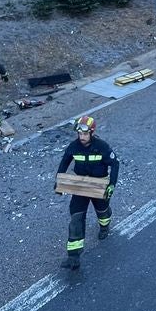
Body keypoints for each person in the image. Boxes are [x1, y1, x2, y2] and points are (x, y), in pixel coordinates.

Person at [57, 115, 119, 270]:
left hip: (99, 184)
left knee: (102, 211)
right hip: (81, 184)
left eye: (85, 134)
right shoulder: (74, 146)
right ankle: (74, 257)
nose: (82, 137)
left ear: (91, 132)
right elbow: (65, 161)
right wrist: (59, 180)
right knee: (76, 217)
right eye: (80, 134)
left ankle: (104, 226)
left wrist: (111, 184)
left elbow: (115, 164)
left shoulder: (102, 146)